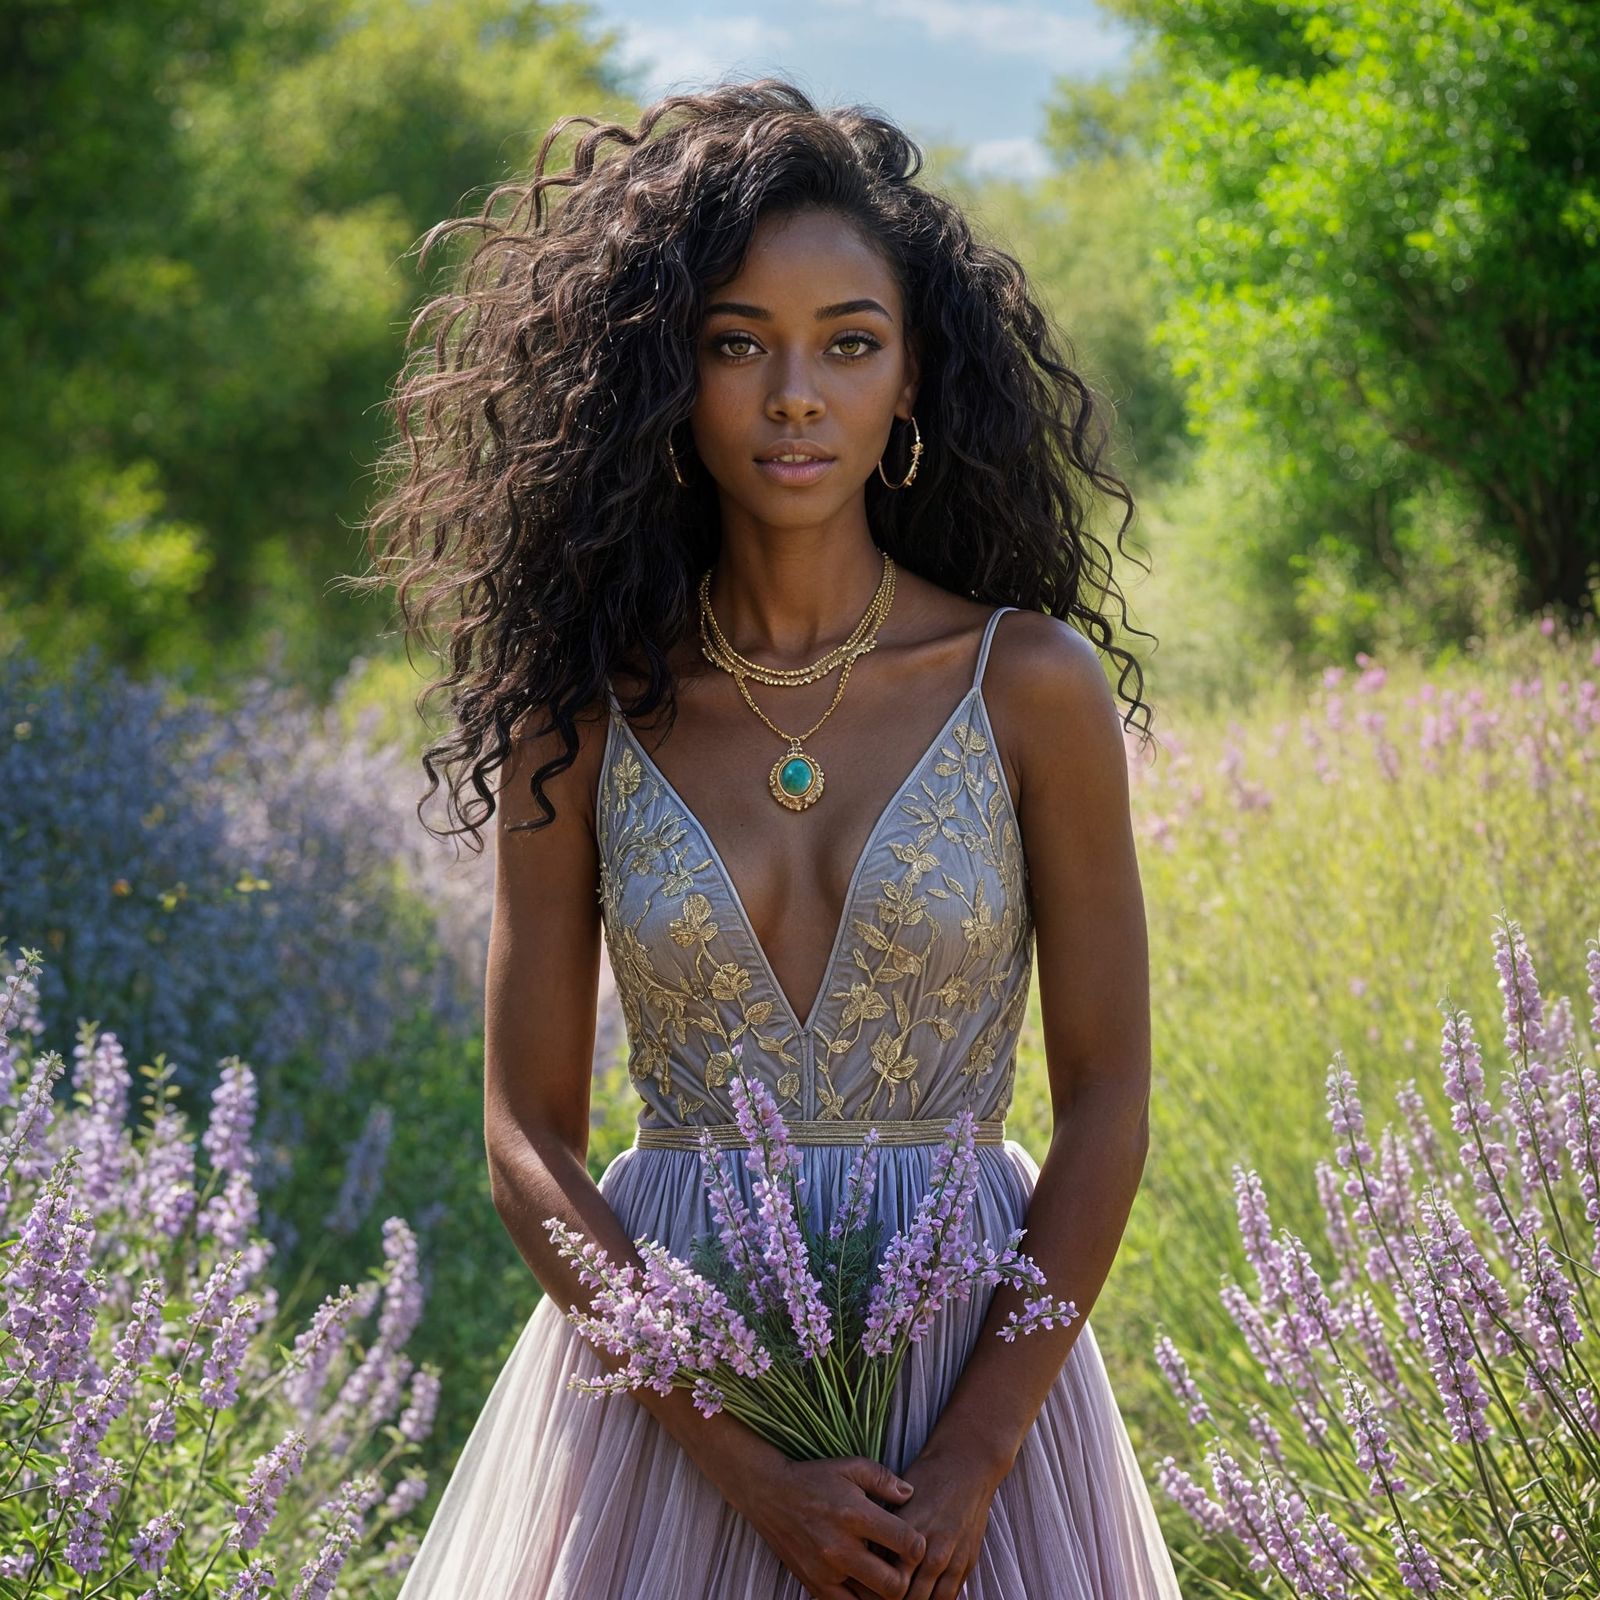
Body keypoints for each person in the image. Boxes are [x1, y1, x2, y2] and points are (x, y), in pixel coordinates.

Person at [362, 76, 1180, 1600]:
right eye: (738, 343)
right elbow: (525, 1138)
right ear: (666, 374)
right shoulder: (585, 711)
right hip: (667, 1415)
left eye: (848, 344)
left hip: (971, 1390)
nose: (795, 394)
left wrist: (976, 1453)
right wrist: (737, 1460)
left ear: (912, 378)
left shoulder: (1028, 687)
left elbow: (1107, 1101)